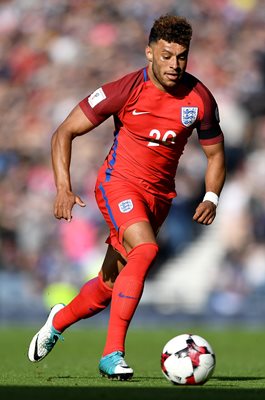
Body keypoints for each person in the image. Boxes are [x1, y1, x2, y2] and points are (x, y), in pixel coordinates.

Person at [28, 14, 226, 380]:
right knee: (146, 250)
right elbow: (64, 132)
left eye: (181, 56)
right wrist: (63, 187)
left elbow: (215, 154)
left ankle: (59, 321)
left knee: (108, 285)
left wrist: (211, 196)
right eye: (166, 55)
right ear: (149, 52)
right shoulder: (125, 89)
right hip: (119, 184)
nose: (174, 64)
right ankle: (112, 354)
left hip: (159, 198)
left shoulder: (199, 99)